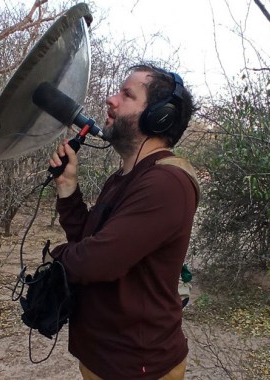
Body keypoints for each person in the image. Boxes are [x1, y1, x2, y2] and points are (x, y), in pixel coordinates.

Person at [48, 63, 198, 380]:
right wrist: (68, 188)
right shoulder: (125, 177)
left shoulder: (166, 184)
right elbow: (87, 241)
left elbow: (97, 261)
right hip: (104, 359)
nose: (111, 100)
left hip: (138, 367)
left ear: (160, 117)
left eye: (126, 94)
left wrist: (55, 258)